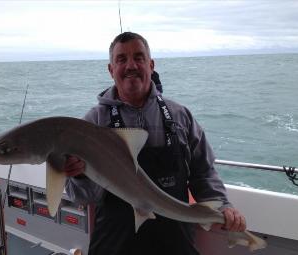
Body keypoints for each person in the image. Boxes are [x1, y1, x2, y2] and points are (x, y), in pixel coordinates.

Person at [63, 32, 246, 255]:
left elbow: (203, 173)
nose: (131, 65)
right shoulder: (94, 124)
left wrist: (223, 207)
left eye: (139, 58)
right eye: (121, 59)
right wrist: (81, 175)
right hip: (115, 245)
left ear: (151, 65)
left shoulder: (180, 117)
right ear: (111, 70)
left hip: (175, 244)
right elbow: (81, 196)